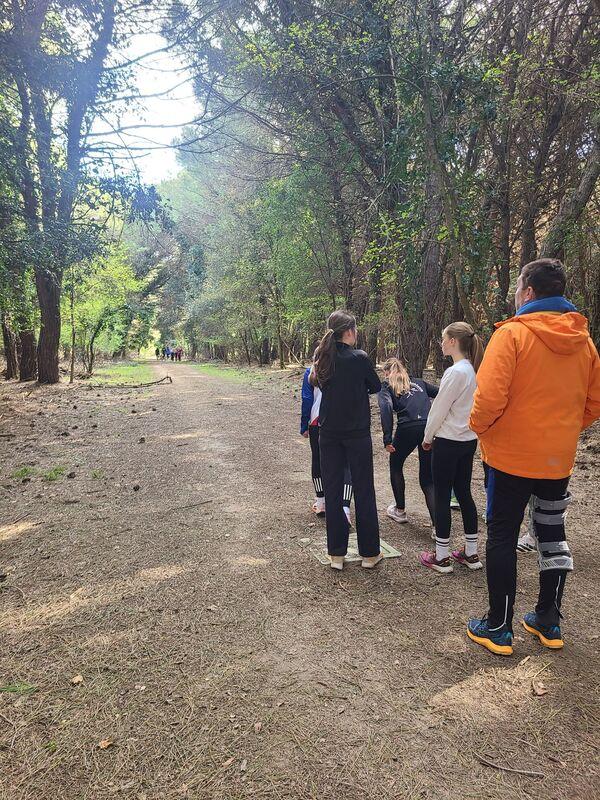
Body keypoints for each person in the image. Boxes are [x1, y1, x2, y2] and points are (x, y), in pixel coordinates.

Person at [467, 259, 600, 656]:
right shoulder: (584, 342)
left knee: (503, 535)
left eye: (517, 287)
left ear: (527, 292)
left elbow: (488, 399)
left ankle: (499, 626)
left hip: (510, 458)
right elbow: (594, 402)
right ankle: (548, 620)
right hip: (556, 460)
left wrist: (481, 429)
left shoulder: (512, 335)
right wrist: (563, 431)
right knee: (552, 533)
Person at [312, 310, 382, 570]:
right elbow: (376, 386)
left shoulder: (323, 357)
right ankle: (369, 554)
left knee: (332, 491)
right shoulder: (359, 357)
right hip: (357, 433)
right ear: (350, 331)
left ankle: (336, 554)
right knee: (364, 490)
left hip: (329, 433)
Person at [419, 322, 484, 574]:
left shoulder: (455, 372)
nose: (441, 343)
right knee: (464, 493)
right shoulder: (474, 370)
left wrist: (428, 436)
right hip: (468, 440)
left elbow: (439, 408)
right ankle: (471, 552)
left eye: (443, 338)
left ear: (454, 341)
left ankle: (442, 556)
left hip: (448, 441)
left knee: (443, 494)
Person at [378, 358, 438, 528]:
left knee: (396, 465)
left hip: (407, 427)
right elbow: (442, 393)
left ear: (387, 372)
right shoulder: (419, 382)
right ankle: (438, 527)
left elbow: (386, 408)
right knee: (428, 478)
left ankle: (400, 510)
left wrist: (387, 438)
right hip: (427, 427)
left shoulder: (387, 385)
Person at [300, 362, 353, 523]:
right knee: (345, 463)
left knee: (318, 460)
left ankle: (321, 502)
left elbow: (307, 399)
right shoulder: (344, 367)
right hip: (342, 422)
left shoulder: (311, 371)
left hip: (317, 422)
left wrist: (304, 425)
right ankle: (345, 508)